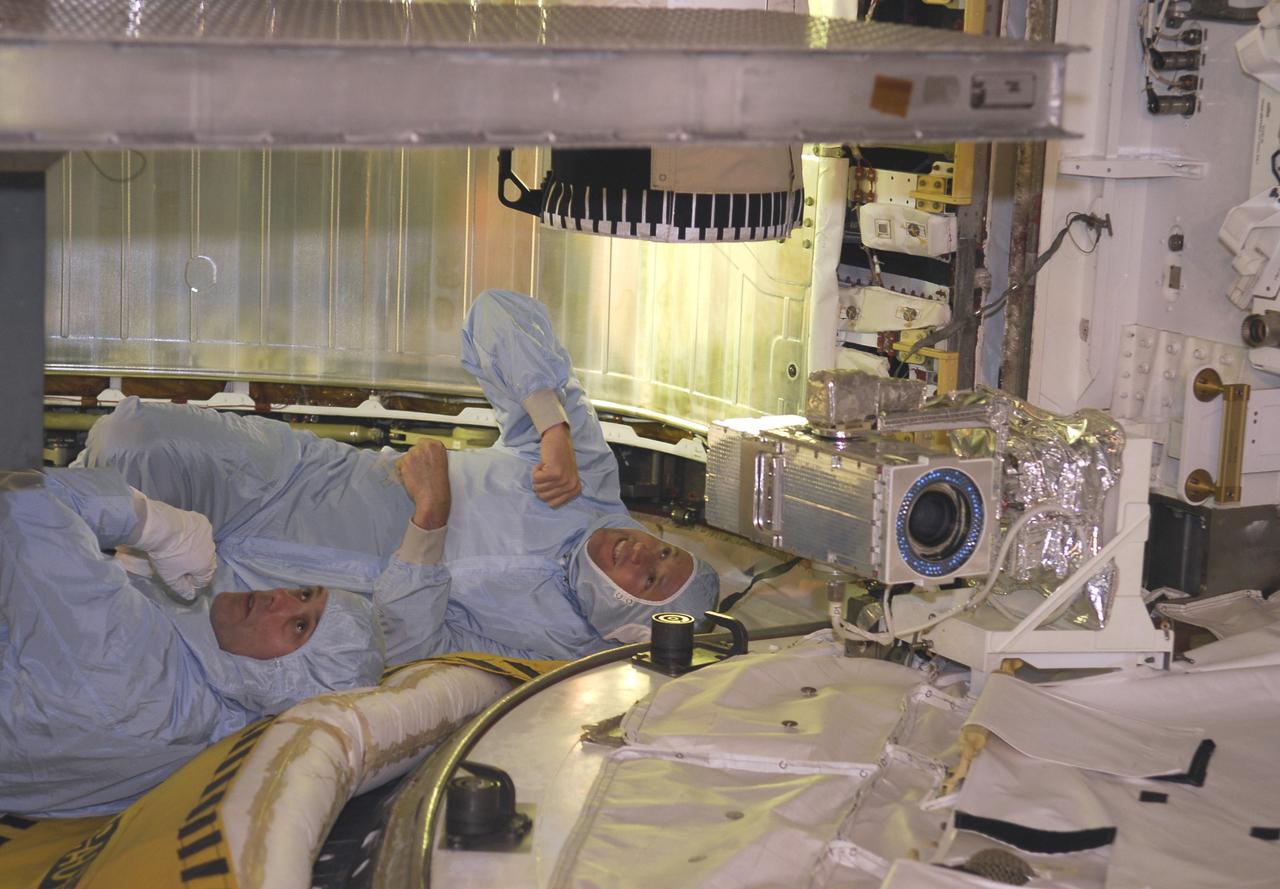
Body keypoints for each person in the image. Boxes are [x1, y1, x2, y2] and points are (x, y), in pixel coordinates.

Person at [77, 289, 720, 663]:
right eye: (663, 549)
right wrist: (551, 424)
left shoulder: (547, 651)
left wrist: (430, 523)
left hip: (284, 599)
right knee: (129, 443)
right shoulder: (586, 482)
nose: (641, 551)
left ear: (633, 624)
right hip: (294, 481)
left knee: (90, 619)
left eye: (651, 578)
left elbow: (412, 646)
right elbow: (494, 314)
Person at [0, 468, 386, 818]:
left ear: (290, 683)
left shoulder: (139, 670)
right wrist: (133, 578)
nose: (280, 598)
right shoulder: (204, 720)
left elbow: (22, 501)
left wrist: (148, 522)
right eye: (304, 593)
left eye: (300, 626)